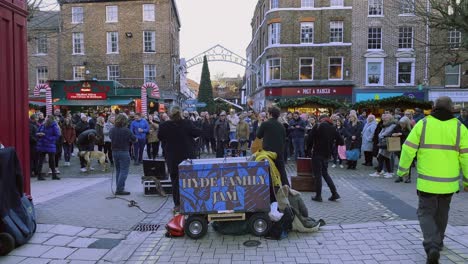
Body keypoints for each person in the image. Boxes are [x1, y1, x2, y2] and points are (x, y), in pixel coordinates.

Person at [396, 96, 468, 264]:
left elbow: (407, 148)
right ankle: (439, 242)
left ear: (434, 107)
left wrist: (402, 170)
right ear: (452, 109)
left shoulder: (423, 124)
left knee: (425, 213)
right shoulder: (460, 128)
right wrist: (467, 181)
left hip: (427, 182)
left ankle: (431, 246)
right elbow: (466, 158)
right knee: (442, 213)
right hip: (449, 183)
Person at [158, 106, 201, 211]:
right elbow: (197, 132)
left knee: (175, 181)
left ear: (169, 114)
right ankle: (191, 203)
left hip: (172, 158)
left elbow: (160, 137)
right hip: (187, 157)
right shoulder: (187, 123)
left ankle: (177, 204)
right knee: (190, 180)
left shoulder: (164, 125)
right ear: (181, 113)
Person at [306, 115, 344, 202]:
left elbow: (309, 139)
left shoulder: (318, 126)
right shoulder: (333, 127)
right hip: (327, 154)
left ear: (321, 119)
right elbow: (341, 141)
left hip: (317, 153)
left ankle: (318, 196)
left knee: (318, 175)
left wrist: (308, 150)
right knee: (325, 173)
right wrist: (332, 144)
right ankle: (334, 193)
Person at [256, 106, 289, 186]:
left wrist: (260, 125)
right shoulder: (281, 126)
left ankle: (271, 191)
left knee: (268, 171)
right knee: (282, 172)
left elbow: (258, 135)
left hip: (268, 153)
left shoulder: (265, 124)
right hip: (279, 152)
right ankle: (287, 189)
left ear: (270, 114)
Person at [110, 114, 137, 195]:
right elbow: (134, 139)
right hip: (124, 152)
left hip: (114, 152)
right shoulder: (126, 130)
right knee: (124, 171)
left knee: (118, 170)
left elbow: (111, 138)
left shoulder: (112, 130)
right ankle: (119, 189)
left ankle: (119, 187)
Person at [369, 114, 397, 178]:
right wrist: (381, 135)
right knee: (386, 158)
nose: (384, 119)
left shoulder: (392, 125)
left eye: (386, 118)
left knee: (381, 157)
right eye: (384, 118)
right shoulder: (385, 125)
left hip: (387, 143)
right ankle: (389, 172)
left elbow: (386, 133)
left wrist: (381, 135)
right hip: (383, 143)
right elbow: (380, 133)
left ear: (390, 119)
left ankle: (378, 172)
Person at [36, 115, 61, 180]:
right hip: (42, 144)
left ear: (49, 119)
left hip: (50, 145)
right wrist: (39, 134)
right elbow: (37, 132)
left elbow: (57, 135)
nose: (45, 118)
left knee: (52, 161)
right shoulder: (42, 125)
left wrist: (48, 138)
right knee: (40, 161)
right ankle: (39, 175)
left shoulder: (54, 126)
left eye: (46, 117)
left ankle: (54, 175)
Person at [392, 116, 413, 183]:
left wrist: (401, 134)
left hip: (407, 147)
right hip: (398, 146)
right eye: (401, 123)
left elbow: (410, 135)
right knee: (400, 163)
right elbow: (392, 132)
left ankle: (407, 177)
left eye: (403, 124)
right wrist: (394, 134)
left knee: (407, 163)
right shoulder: (398, 127)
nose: (401, 125)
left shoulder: (410, 128)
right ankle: (400, 176)